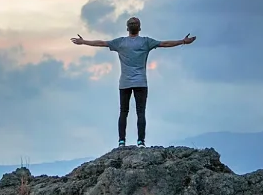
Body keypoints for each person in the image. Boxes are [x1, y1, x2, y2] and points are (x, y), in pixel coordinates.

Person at [71, 16, 196, 148]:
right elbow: (165, 44)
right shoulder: (146, 42)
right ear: (139, 28)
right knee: (140, 112)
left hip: (124, 83)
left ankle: (121, 142)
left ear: (127, 28)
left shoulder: (120, 42)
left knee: (123, 112)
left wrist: (83, 41)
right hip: (141, 82)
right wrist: (183, 41)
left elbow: (101, 43)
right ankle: (141, 141)